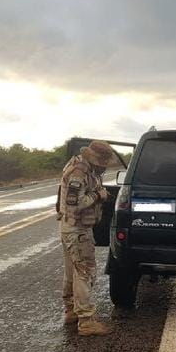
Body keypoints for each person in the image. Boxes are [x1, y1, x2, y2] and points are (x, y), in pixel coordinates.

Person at [58, 140, 118, 336]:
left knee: (72, 271)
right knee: (85, 272)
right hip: (78, 229)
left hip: (71, 227)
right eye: (103, 163)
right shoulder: (79, 172)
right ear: (96, 160)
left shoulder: (83, 167)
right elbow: (76, 203)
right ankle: (86, 320)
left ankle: (71, 311)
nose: (103, 168)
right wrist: (98, 195)